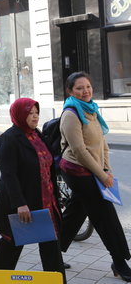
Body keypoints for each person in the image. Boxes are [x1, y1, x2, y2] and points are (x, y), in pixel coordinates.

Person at [59, 72, 131, 281]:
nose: (85, 91)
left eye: (88, 86)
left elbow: (101, 142)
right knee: (104, 215)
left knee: (75, 212)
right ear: (70, 92)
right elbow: (80, 151)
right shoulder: (71, 114)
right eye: (79, 88)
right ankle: (119, 262)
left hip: (94, 169)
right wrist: (101, 175)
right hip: (78, 170)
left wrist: (106, 169)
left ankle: (53, 251)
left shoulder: (91, 110)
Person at [0, 98, 66, 280]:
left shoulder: (36, 134)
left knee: (51, 247)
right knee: (11, 245)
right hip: (21, 204)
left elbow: (47, 165)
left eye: (36, 113)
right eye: (29, 113)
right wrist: (20, 204)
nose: (34, 117)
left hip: (45, 202)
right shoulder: (10, 138)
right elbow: (9, 175)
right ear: (19, 115)